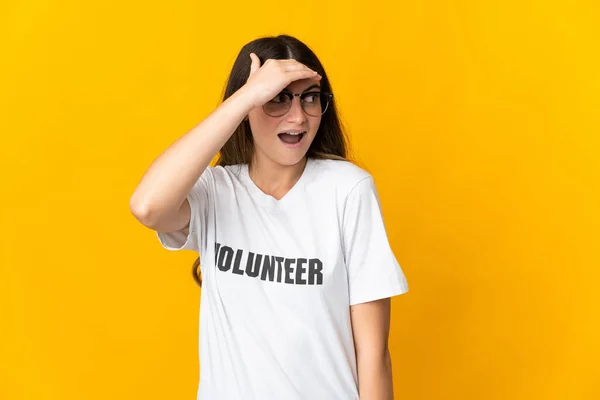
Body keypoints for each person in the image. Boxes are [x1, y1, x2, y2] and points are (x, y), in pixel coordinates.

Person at [130, 34, 409, 400]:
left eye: (309, 97)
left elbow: (373, 356)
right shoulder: (216, 192)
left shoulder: (348, 191)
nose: (297, 117)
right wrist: (245, 97)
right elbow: (147, 206)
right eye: (276, 98)